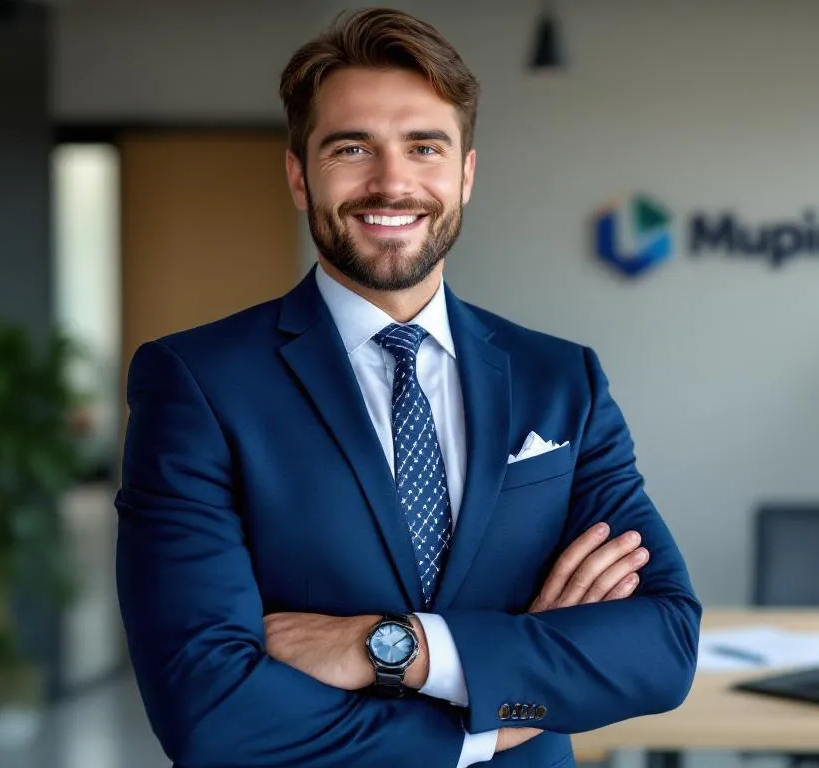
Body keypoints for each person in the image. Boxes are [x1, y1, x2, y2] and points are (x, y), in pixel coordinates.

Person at [114, 7, 701, 768]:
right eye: (352, 148)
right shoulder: (196, 383)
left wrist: (398, 647)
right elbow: (209, 708)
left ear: (465, 174)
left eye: (424, 147)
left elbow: (662, 646)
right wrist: (490, 717)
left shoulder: (560, 380)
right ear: (299, 175)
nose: (392, 182)